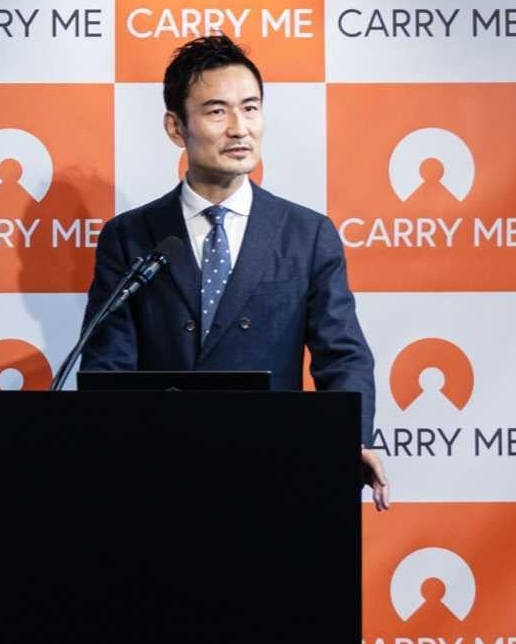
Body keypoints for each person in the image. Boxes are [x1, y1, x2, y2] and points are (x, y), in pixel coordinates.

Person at [78, 34, 389, 508]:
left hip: (275, 474)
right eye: (217, 111)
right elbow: (107, 365)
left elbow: (343, 354)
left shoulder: (306, 234)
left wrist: (352, 437)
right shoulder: (131, 236)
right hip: (157, 477)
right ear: (175, 127)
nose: (239, 129)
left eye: (251, 108)